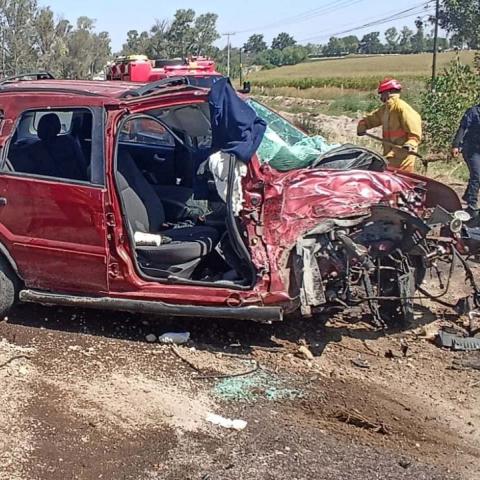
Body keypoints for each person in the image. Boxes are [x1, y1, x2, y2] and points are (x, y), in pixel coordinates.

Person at [357, 78, 422, 173]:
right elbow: (374, 118)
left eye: (381, 94)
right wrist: (363, 124)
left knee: (403, 180)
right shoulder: (386, 109)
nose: (381, 97)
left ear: (388, 93)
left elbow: (414, 126)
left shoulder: (402, 108)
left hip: (402, 153)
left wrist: (411, 142)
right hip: (390, 153)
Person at [452, 104, 480, 218]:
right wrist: (456, 145)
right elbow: (463, 128)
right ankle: (472, 203)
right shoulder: (473, 112)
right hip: (471, 149)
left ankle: (468, 195)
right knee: (477, 175)